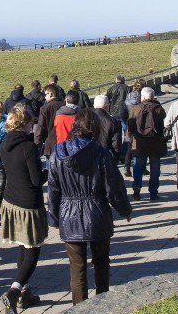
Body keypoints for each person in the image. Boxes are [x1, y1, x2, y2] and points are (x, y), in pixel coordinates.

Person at [48, 109, 132, 304]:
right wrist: (124, 209)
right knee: (101, 263)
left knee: (77, 268)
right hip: (97, 212)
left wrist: (53, 216)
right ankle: (101, 304)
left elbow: (53, 190)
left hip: (69, 214)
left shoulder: (57, 154)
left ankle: (79, 310)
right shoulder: (100, 153)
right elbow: (114, 187)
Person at [0, 105, 46, 314]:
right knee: (33, 250)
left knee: (22, 245)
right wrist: (47, 172)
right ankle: (14, 290)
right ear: (26, 124)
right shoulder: (28, 147)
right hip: (28, 203)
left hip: (10, 200)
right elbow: (36, 180)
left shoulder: (5, 143)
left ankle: (25, 293)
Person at [127, 87, 167, 201]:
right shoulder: (159, 109)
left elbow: (130, 126)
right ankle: (153, 192)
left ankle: (136, 189)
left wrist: (130, 140)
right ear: (153, 97)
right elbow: (162, 127)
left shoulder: (136, 108)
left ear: (142, 97)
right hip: (155, 143)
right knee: (155, 168)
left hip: (139, 142)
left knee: (138, 166)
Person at [35, 84, 64, 156]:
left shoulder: (44, 109)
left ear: (50, 94)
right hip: (65, 143)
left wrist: (37, 144)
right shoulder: (65, 105)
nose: (45, 97)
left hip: (50, 144)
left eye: (45, 94)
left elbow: (40, 127)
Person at [92, 94, 121, 160]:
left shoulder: (86, 118)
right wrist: (116, 157)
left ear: (94, 105)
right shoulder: (112, 121)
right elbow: (116, 143)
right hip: (105, 156)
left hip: (89, 156)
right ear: (106, 106)